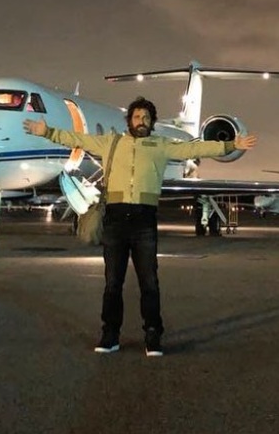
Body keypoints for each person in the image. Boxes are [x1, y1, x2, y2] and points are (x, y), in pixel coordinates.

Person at [23, 96, 258, 357]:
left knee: (149, 283)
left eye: (146, 117)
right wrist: (46, 132)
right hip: (115, 221)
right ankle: (110, 334)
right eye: (137, 117)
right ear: (129, 121)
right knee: (113, 283)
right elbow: (77, 139)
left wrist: (230, 145)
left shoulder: (160, 145)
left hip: (144, 221)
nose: (141, 121)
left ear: (152, 122)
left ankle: (153, 334)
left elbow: (194, 149)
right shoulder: (110, 143)